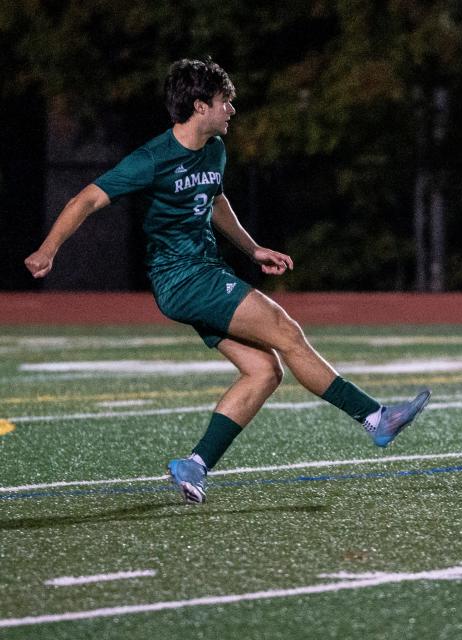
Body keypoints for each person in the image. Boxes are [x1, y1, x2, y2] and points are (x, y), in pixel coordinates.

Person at [24, 58, 430, 504]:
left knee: (265, 370)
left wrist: (252, 249)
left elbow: (215, 199)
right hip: (180, 278)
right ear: (200, 106)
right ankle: (376, 418)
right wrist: (49, 249)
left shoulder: (215, 149)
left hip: (205, 270)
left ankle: (193, 465)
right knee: (286, 331)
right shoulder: (152, 158)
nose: (232, 110)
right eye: (225, 102)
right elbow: (86, 199)